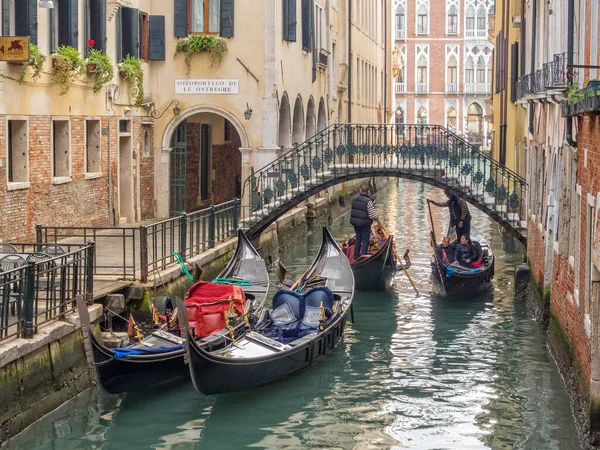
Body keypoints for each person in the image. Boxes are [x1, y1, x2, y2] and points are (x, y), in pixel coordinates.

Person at [350, 184, 381, 259]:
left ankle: (356, 256)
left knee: (358, 239)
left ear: (360, 190)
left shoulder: (354, 199)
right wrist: (378, 221)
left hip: (355, 223)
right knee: (365, 240)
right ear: (368, 192)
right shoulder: (369, 201)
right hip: (364, 224)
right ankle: (363, 256)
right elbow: (372, 214)